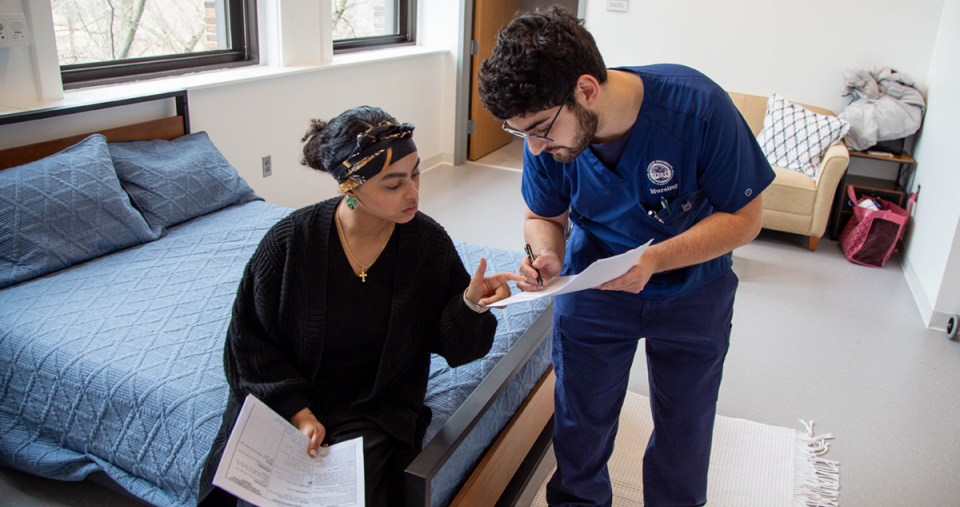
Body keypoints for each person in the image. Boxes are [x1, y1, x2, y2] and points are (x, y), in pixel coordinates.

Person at [477, 7, 775, 507]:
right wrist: (545, 254)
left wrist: (656, 260)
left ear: (587, 90)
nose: (532, 146)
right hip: (593, 286)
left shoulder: (698, 107)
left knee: (687, 423)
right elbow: (542, 216)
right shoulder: (545, 144)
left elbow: (745, 218)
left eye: (540, 129)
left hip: (692, 290)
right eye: (518, 132)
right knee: (580, 422)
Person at [199, 106, 524, 507]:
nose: (413, 193)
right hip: (294, 397)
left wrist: (471, 305)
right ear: (349, 187)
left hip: (374, 404)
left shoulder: (427, 244)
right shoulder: (288, 243)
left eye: (416, 173)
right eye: (393, 184)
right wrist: (299, 414)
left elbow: (458, 349)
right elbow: (249, 345)